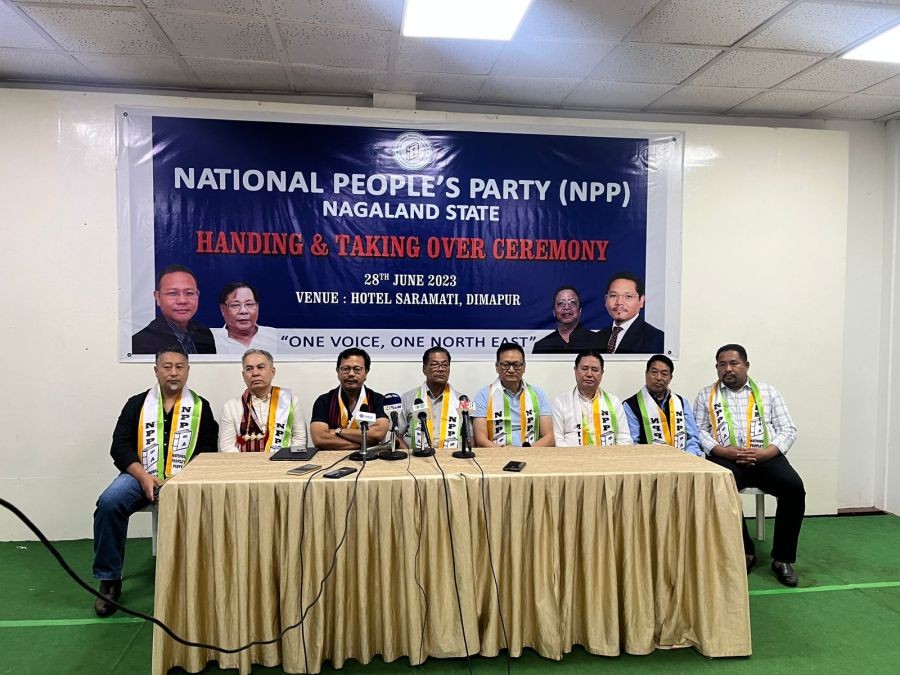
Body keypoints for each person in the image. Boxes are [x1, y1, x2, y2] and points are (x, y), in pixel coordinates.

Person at [92, 347, 218, 617]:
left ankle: (198, 577)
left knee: (210, 501)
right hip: (139, 476)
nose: (174, 372)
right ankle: (109, 581)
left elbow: (207, 451)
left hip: (184, 479)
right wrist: (143, 476)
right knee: (109, 502)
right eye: (167, 366)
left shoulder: (200, 407)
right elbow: (120, 446)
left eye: (180, 367)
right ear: (156, 370)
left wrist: (179, 481)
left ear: (187, 371)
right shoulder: (137, 404)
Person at [693, 344, 803, 587]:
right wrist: (724, 451)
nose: (728, 369)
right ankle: (745, 552)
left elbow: (788, 429)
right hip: (726, 457)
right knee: (721, 487)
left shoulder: (767, 392)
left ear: (746, 365)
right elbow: (698, 431)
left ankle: (782, 559)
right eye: (722, 365)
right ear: (717, 368)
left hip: (765, 456)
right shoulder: (706, 395)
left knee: (794, 489)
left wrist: (766, 453)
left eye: (734, 363)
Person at [218, 349, 307, 452]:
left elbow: (300, 440)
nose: (255, 373)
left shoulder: (290, 401)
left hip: (283, 464)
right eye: (249, 369)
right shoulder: (231, 406)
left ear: (272, 372)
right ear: (243, 375)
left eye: (260, 367)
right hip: (244, 466)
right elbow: (227, 447)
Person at [473, 342, 553, 447]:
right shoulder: (483, 395)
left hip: (532, 452)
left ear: (524, 367)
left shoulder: (538, 394)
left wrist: (526, 452)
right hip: (496, 454)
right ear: (497, 367)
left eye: (516, 365)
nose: (511, 370)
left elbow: (549, 437)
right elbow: (480, 439)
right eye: (506, 365)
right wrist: (502, 453)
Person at [309, 348, 389, 450]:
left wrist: (338, 431)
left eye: (357, 369)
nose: (351, 374)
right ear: (337, 372)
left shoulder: (378, 400)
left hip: (371, 461)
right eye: (345, 369)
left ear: (366, 373)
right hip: (331, 460)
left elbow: (378, 433)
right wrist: (364, 445)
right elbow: (319, 439)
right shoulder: (324, 400)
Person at [623, 354, 702, 456]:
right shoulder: (630, 405)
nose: (658, 378)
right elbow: (632, 443)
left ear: (670, 378)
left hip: (684, 461)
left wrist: (688, 456)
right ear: (646, 374)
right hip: (648, 463)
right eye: (654, 372)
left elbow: (693, 437)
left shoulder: (682, 402)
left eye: (664, 374)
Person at [551, 350, 631, 446]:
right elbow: (557, 439)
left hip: (608, 459)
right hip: (572, 458)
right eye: (584, 368)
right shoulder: (560, 402)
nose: (589, 374)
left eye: (594, 370)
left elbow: (624, 439)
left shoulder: (613, 402)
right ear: (575, 370)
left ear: (602, 373)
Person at [131, 264, 216, 355]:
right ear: (157, 298)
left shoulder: (205, 334)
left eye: (189, 293)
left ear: (197, 295)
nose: (182, 301)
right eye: (173, 293)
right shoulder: (141, 343)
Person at [398, 347, 467, 451]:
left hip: (453, 459)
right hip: (416, 458)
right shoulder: (408, 398)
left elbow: (470, 437)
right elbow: (396, 435)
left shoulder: (462, 400)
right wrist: (409, 455)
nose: (441, 369)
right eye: (435, 364)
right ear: (424, 369)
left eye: (445, 365)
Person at [595, 273, 664, 354]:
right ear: (606, 300)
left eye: (628, 296)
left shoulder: (657, 338)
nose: (619, 302)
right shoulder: (597, 337)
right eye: (613, 296)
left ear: (641, 301)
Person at [532, 286, 604, 354]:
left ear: (580, 311)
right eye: (561, 303)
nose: (566, 307)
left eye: (572, 302)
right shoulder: (542, 346)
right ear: (554, 312)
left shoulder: (597, 342)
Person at [212, 282, 278, 354]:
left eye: (249, 304)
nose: (243, 311)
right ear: (223, 309)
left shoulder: (275, 337)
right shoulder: (212, 341)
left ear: (257, 307)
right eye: (235, 305)